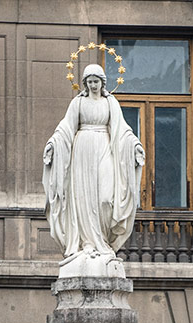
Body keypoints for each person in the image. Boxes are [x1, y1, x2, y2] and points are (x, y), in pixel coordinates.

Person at [42, 64, 144, 276]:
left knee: (106, 198)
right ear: (85, 83)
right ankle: (87, 244)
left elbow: (122, 130)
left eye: (96, 81)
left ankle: (103, 243)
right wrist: (53, 144)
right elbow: (65, 129)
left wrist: (134, 145)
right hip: (82, 152)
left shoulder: (110, 102)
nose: (92, 85)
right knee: (84, 199)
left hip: (104, 147)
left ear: (103, 82)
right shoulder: (78, 102)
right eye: (89, 82)